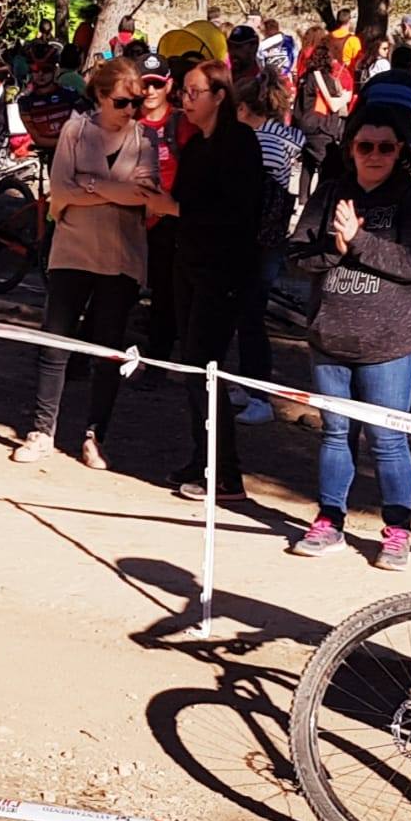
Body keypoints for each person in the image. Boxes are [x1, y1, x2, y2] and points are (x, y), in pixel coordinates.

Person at [288, 104, 411, 570]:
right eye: (365, 146)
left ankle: (398, 529)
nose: (374, 155)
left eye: (385, 147)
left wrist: (358, 241)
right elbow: (298, 255)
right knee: (335, 434)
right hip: (330, 337)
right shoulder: (330, 193)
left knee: (387, 438)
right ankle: (329, 519)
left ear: (401, 152)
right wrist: (335, 251)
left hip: (391, 344)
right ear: (350, 149)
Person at [12, 58, 166, 468]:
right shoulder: (75, 131)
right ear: (100, 95)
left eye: (136, 102)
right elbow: (61, 191)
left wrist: (90, 186)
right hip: (72, 252)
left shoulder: (145, 140)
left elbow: (146, 197)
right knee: (56, 342)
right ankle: (42, 431)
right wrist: (116, 190)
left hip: (122, 259)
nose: (131, 110)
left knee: (108, 350)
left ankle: (96, 436)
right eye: (122, 102)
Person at [168, 59, 264, 502]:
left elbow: (237, 212)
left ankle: (226, 472)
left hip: (224, 270)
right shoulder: (194, 145)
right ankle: (202, 456)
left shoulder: (240, 142)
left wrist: (177, 210)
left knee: (206, 367)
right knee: (192, 368)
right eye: (184, 92)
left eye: (194, 92)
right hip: (188, 265)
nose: (185, 100)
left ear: (219, 95)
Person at [233, 72, 305, 421]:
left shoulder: (256, 142)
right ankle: (246, 383)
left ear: (244, 108)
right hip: (272, 237)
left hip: (254, 239)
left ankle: (259, 395)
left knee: (249, 316)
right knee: (248, 314)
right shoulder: (290, 138)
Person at [135, 53, 193, 365]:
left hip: (167, 223)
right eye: (145, 84)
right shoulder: (127, 119)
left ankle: (158, 362)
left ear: (168, 85)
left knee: (165, 295)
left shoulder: (182, 123)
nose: (150, 91)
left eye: (157, 84)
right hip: (130, 218)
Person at [295, 40, 351, 202]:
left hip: (304, 126)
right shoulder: (324, 79)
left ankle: (303, 199)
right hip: (320, 127)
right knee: (327, 166)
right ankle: (319, 201)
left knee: (308, 164)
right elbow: (333, 105)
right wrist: (345, 97)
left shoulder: (305, 77)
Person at [17, 41, 83, 159]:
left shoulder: (71, 95)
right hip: (54, 154)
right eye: (35, 69)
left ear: (55, 70)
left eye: (46, 69)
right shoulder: (25, 103)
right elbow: (38, 139)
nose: (40, 74)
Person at [360, 44, 411, 149]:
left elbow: (358, 111)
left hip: (370, 139)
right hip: (399, 143)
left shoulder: (374, 81)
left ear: (391, 62)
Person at [227, 24, 262, 94]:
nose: (233, 52)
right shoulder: (226, 77)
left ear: (254, 47)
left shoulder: (260, 82)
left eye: (238, 47)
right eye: (230, 47)